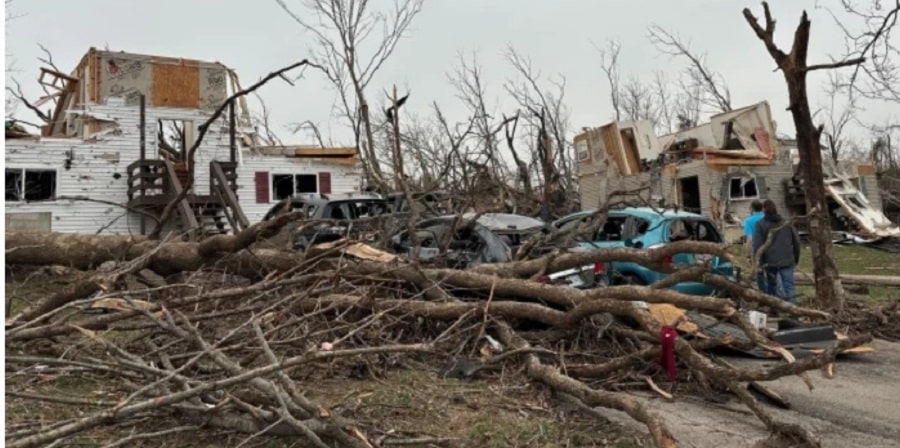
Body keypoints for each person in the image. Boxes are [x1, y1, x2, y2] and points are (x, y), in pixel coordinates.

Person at [752, 200, 801, 305]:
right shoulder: (786, 223)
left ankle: (774, 309)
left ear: (764, 210)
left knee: (772, 286)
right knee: (789, 286)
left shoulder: (760, 224)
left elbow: (757, 245)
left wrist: (759, 263)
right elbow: (796, 242)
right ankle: (793, 311)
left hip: (770, 261)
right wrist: (796, 258)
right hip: (787, 259)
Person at [743, 200, 767, 291]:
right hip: (769, 248)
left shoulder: (748, 221)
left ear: (752, 208)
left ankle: (763, 294)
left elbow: (749, 239)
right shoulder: (767, 218)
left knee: (759, 271)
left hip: (756, 249)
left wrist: (748, 255)